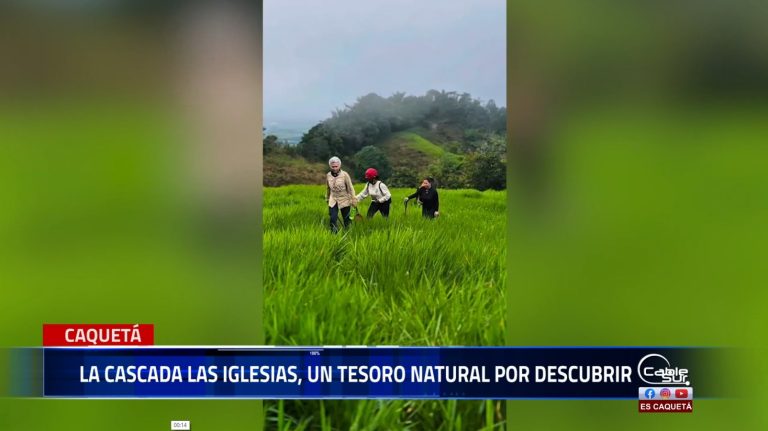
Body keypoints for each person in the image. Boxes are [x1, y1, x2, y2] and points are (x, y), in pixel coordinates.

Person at [325, 156, 357, 233]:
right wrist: (327, 198)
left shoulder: (345, 175)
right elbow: (328, 188)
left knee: (347, 220)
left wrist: (353, 199)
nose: (334, 168)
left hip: (344, 199)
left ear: (339, 165)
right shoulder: (328, 175)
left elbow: (350, 187)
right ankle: (334, 234)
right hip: (333, 199)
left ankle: (348, 233)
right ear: (330, 166)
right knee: (333, 218)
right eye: (333, 166)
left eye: (336, 166)